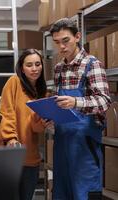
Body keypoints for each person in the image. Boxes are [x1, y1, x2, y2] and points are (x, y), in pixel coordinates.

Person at [50, 18, 111, 199]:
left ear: (77, 37)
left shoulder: (93, 64)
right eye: (57, 42)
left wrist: (76, 102)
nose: (61, 47)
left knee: (85, 194)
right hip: (62, 144)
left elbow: (104, 101)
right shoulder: (59, 68)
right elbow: (60, 103)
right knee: (62, 193)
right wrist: (50, 116)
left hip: (85, 146)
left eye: (65, 40)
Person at [0, 49, 51, 200]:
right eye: (29, 65)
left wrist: (44, 123)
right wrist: (11, 138)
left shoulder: (43, 92)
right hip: (9, 153)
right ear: (22, 68)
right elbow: (6, 113)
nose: (34, 68)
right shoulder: (14, 82)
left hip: (30, 156)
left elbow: (35, 127)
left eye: (38, 64)